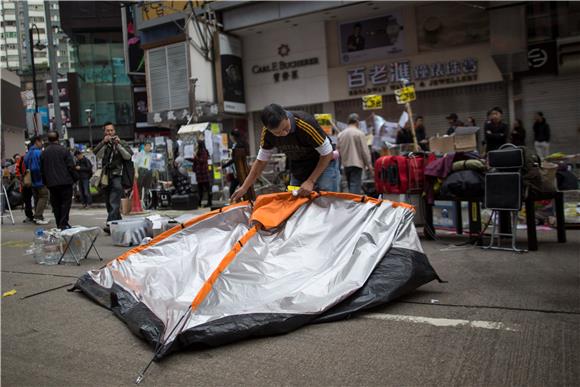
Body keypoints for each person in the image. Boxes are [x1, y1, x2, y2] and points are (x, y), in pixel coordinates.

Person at [230, 103, 337, 201]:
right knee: (295, 201)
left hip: (323, 163)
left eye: (285, 128)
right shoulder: (267, 134)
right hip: (298, 166)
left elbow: (327, 153)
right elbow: (260, 162)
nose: (284, 133)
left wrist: (310, 181)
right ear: (268, 129)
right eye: (277, 133)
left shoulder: (305, 123)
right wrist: (244, 187)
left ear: (287, 117)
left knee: (324, 198)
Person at [93, 122, 133, 231]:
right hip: (106, 176)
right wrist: (104, 143)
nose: (110, 133)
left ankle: (109, 223)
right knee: (108, 201)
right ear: (104, 132)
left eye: (111, 130)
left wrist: (118, 145)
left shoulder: (122, 143)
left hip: (118, 175)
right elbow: (97, 154)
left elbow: (128, 156)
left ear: (114, 131)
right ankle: (117, 224)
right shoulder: (104, 144)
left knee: (114, 200)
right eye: (107, 131)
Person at [41, 131, 77, 230]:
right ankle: (63, 223)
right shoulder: (64, 150)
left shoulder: (44, 153)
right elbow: (71, 166)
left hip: (52, 183)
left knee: (56, 204)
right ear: (58, 138)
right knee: (65, 203)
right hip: (65, 182)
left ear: (48, 140)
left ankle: (59, 223)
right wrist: (75, 178)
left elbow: (42, 170)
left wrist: (46, 182)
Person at [337, 113, 373, 195]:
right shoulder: (359, 133)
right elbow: (365, 151)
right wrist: (369, 166)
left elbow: (338, 150)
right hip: (356, 163)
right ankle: (354, 204)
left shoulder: (341, 134)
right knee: (355, 186)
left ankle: (351, 202)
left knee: (350, 186)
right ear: (357, 122)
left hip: (345, 164)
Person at [23, 136, 49, 225]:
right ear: (37, 142)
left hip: (31, 181)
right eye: (41, 141)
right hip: (39, 180)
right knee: (44, 196)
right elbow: (36, 168)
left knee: (37, 198)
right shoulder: (38, 153)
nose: (42, 143)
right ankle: (38, 216)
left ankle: (38, 216)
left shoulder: (27, 154)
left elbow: (25, 167)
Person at [222, 129, 247, 197]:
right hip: (239, 169)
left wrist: (223, 166)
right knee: (239, 187)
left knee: (233, 188)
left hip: (238, 170)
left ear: (233, 136)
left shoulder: (237, 145)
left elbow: (234, 159)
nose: (230, 138)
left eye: (230, 136)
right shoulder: (240, 144)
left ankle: (233, 202)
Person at [16, 149, 34, 223]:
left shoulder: (23, 158)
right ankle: (32, 215)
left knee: (28, 200)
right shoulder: (23, 158)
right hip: (30, 183)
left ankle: (31, 216)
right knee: (28, 200)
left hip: (27, 183)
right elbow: (17, 171)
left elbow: (17, 171)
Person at [192, 140, 212, 208]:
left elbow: (202, 161)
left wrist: (196, 157)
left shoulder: (203, 151)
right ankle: (199, 203)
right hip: (199, 174)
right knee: (200, 189)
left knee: (207, 188)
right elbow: (195, 162)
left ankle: (209, 202)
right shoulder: (198, 152)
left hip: (204, 173)